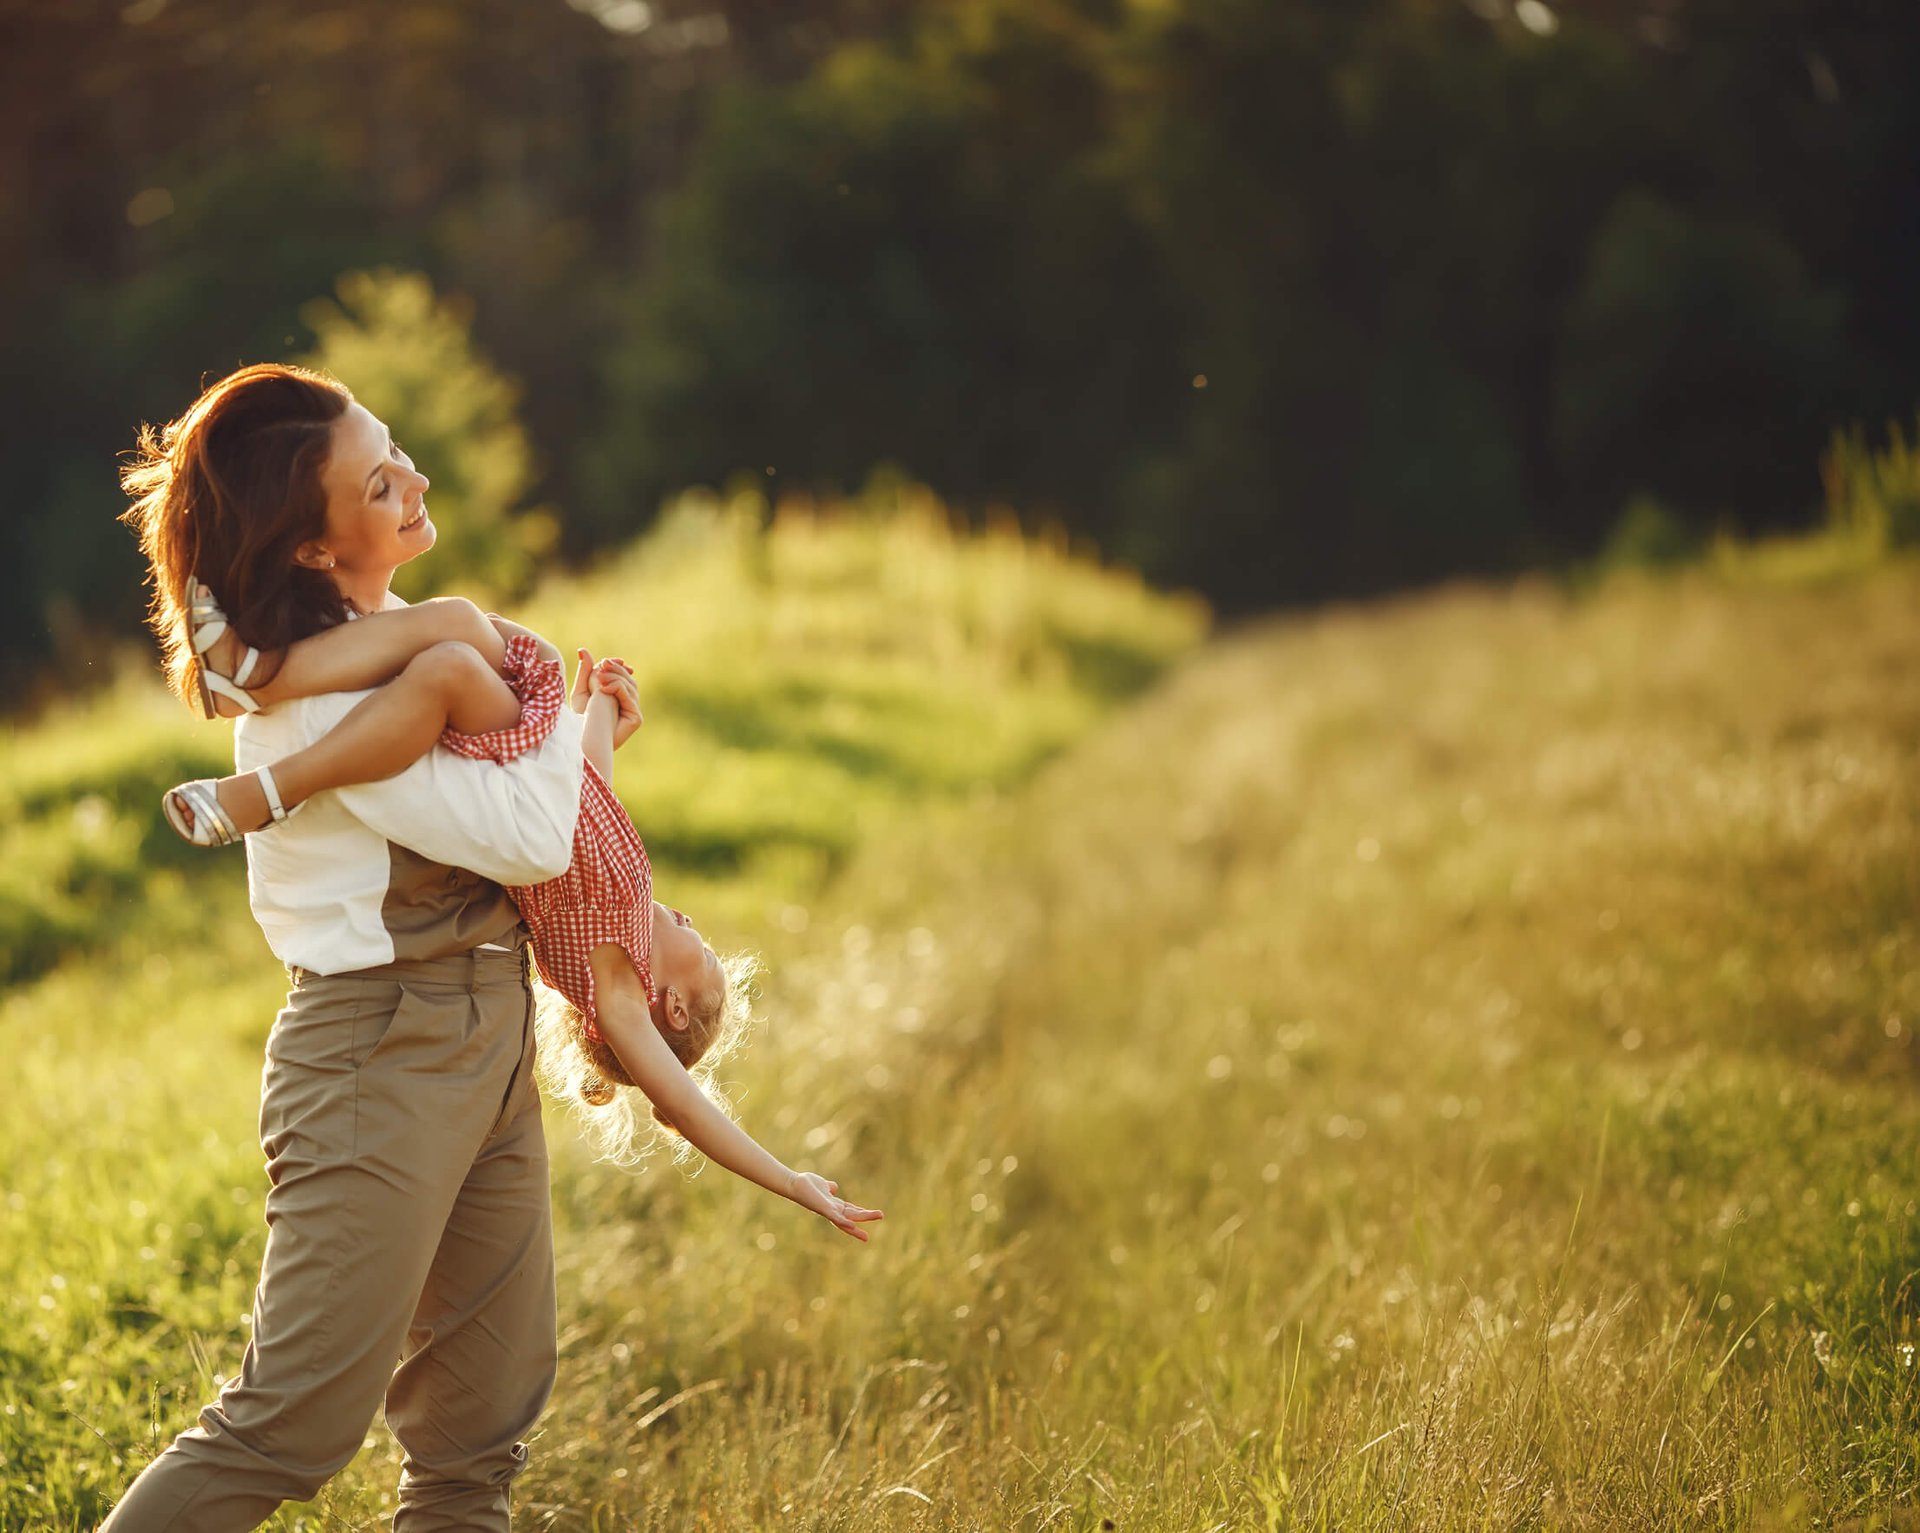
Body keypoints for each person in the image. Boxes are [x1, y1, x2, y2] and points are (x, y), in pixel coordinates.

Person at [102, 362, 866, 1531]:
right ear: (312, 547)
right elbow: (529, 833)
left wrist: (583, 720)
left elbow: (543, 801)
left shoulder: (388, 651)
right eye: (378, 476)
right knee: (290, 1423)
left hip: (486, 1036)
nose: (414, 477)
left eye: (397, 449)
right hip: (380, 1052)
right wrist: (575, 723)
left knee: (478, 1431)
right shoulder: (318, 709)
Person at [162, 586, 887, 1220]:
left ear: (670, 1005)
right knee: (457, 628)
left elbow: (691, 1109)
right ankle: (256, 675)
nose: (696, 927)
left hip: (512, 763)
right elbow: (581, 792)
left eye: (706, 960)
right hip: (538, 768)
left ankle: (266, 752)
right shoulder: (621, 923)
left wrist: (791, 1180)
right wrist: (595, 708)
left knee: (453, 650)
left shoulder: (616, 989)